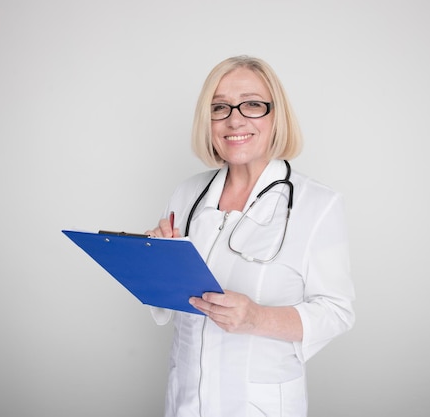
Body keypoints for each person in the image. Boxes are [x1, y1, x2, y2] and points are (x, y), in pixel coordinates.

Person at [146, 55, 355, 417]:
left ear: (276, 116)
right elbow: (170, 299)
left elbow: (337, 312)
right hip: (185, 401)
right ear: (207, 121)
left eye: (253, 104)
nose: (235, 119)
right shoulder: (187, 194)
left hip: (259, 404)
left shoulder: (317, 204)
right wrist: (155, 261)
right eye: (220, 107)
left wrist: (257, 318)